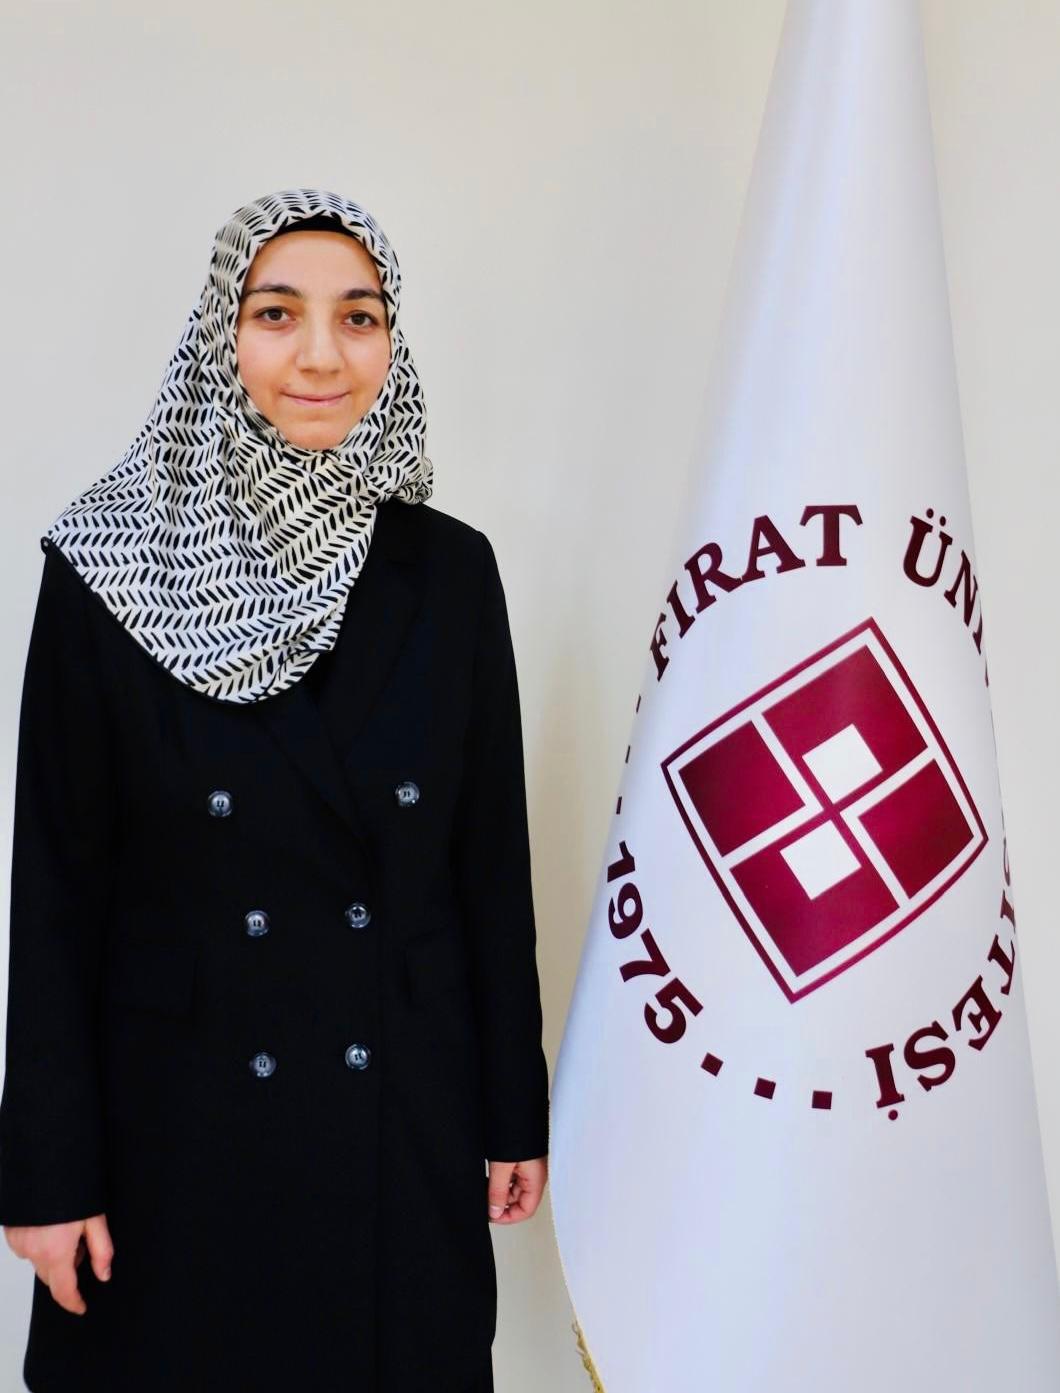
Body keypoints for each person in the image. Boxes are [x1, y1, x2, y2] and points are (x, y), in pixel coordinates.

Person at [0, 188, 550, 1392]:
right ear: (221, 334)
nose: (320, 356)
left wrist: (513, 1107)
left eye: (359, 317)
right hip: (177, 1128)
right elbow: (55, 893)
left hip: (397, 1116)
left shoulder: (449, 572)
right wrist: (44, 1173)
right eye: (277, 313)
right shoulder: (106, 565)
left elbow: (488, 870)